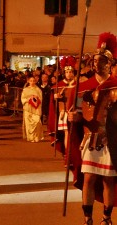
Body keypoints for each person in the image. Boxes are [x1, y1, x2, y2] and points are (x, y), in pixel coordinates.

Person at [68, 32, 117, 225]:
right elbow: (79, 114)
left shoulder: (115, 86)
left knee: (108, 180)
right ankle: (87, 217)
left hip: (111, 139)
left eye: (101, 60)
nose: (96, 63)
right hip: (90, 138)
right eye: (94, 60)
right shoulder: (82, 87)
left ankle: (107, 217)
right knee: (88, 178)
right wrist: (74, 117)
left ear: (109, 63)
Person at [48, 56, 76, 156]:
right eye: (67, 72)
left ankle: (73, 152)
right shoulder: (58, 86)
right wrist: (56, 97)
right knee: (67, 133)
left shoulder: (78, 85)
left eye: (71, 72)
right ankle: (68, 153)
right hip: (64, 113)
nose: (69, 74)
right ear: (64, 73)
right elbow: (53, 102)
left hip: (75, 113)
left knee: (74, 134)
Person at [21, 74, 44, 142]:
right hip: (27, 108)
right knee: (28, 123)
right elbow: (23, 98)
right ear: (28, 81)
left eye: (33, 81)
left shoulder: (38, 90)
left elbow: (40, 99)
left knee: (37, 122)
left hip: (36, 108)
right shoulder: (25, 90)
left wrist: (35, 100)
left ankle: (36, 136)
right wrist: (28, 100)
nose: (32, 82)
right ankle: (30, 137)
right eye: (31, 81)